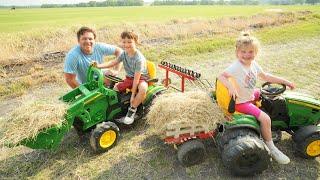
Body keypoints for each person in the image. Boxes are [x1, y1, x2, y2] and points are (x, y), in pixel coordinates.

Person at [218, 31, 295, 164]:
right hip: (241, 102)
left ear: (256, 52)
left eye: (250, 52)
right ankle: (271, 146)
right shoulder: (236, 66)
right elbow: (221, 76)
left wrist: (285, 81)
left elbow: (265, 76)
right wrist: (230, 87)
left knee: (268, 93)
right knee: (265, 119)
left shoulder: (253, 64)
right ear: (237, 52)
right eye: (244, 52)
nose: (247, 55)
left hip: (249, 94)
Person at [96, 30, 149, 125]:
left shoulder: (139, 59)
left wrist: (133, 96)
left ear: (135, 42)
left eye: (129, 42)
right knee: (115, 89)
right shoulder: (124, 54)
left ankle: (132, 109)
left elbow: (137, 79)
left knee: (143, 89)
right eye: (124, 42)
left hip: (141, 78)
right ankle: (116, 109)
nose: (126, 44)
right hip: (129, 77)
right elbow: (113, 62)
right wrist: (98, 66)